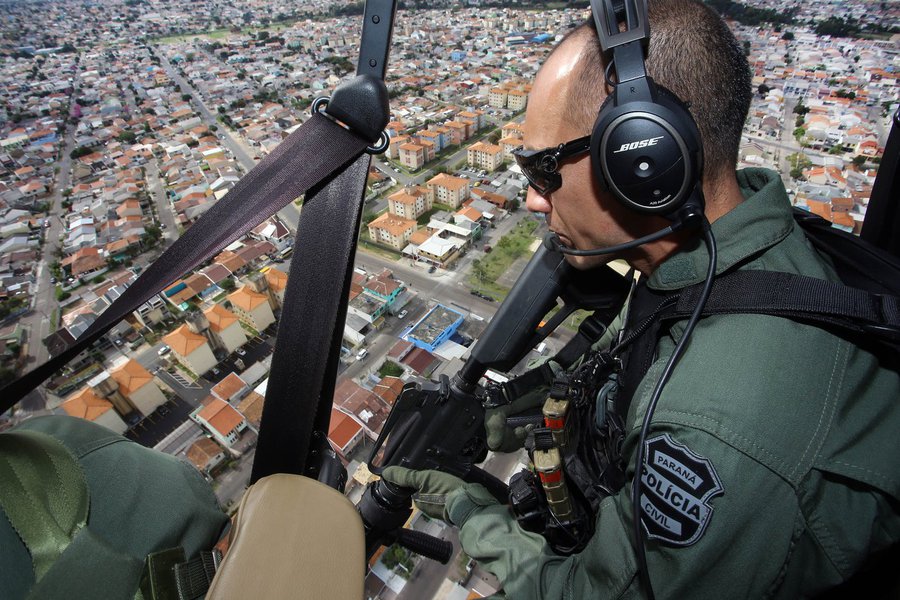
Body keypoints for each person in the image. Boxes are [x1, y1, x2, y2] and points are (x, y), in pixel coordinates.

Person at [382, 1, 900, 597]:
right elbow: (618, 359)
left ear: (644, 160)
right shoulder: (708, 262)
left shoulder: (714, 427)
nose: (531, 198)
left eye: (544, 169)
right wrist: (504, 423)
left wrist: (467, 509)